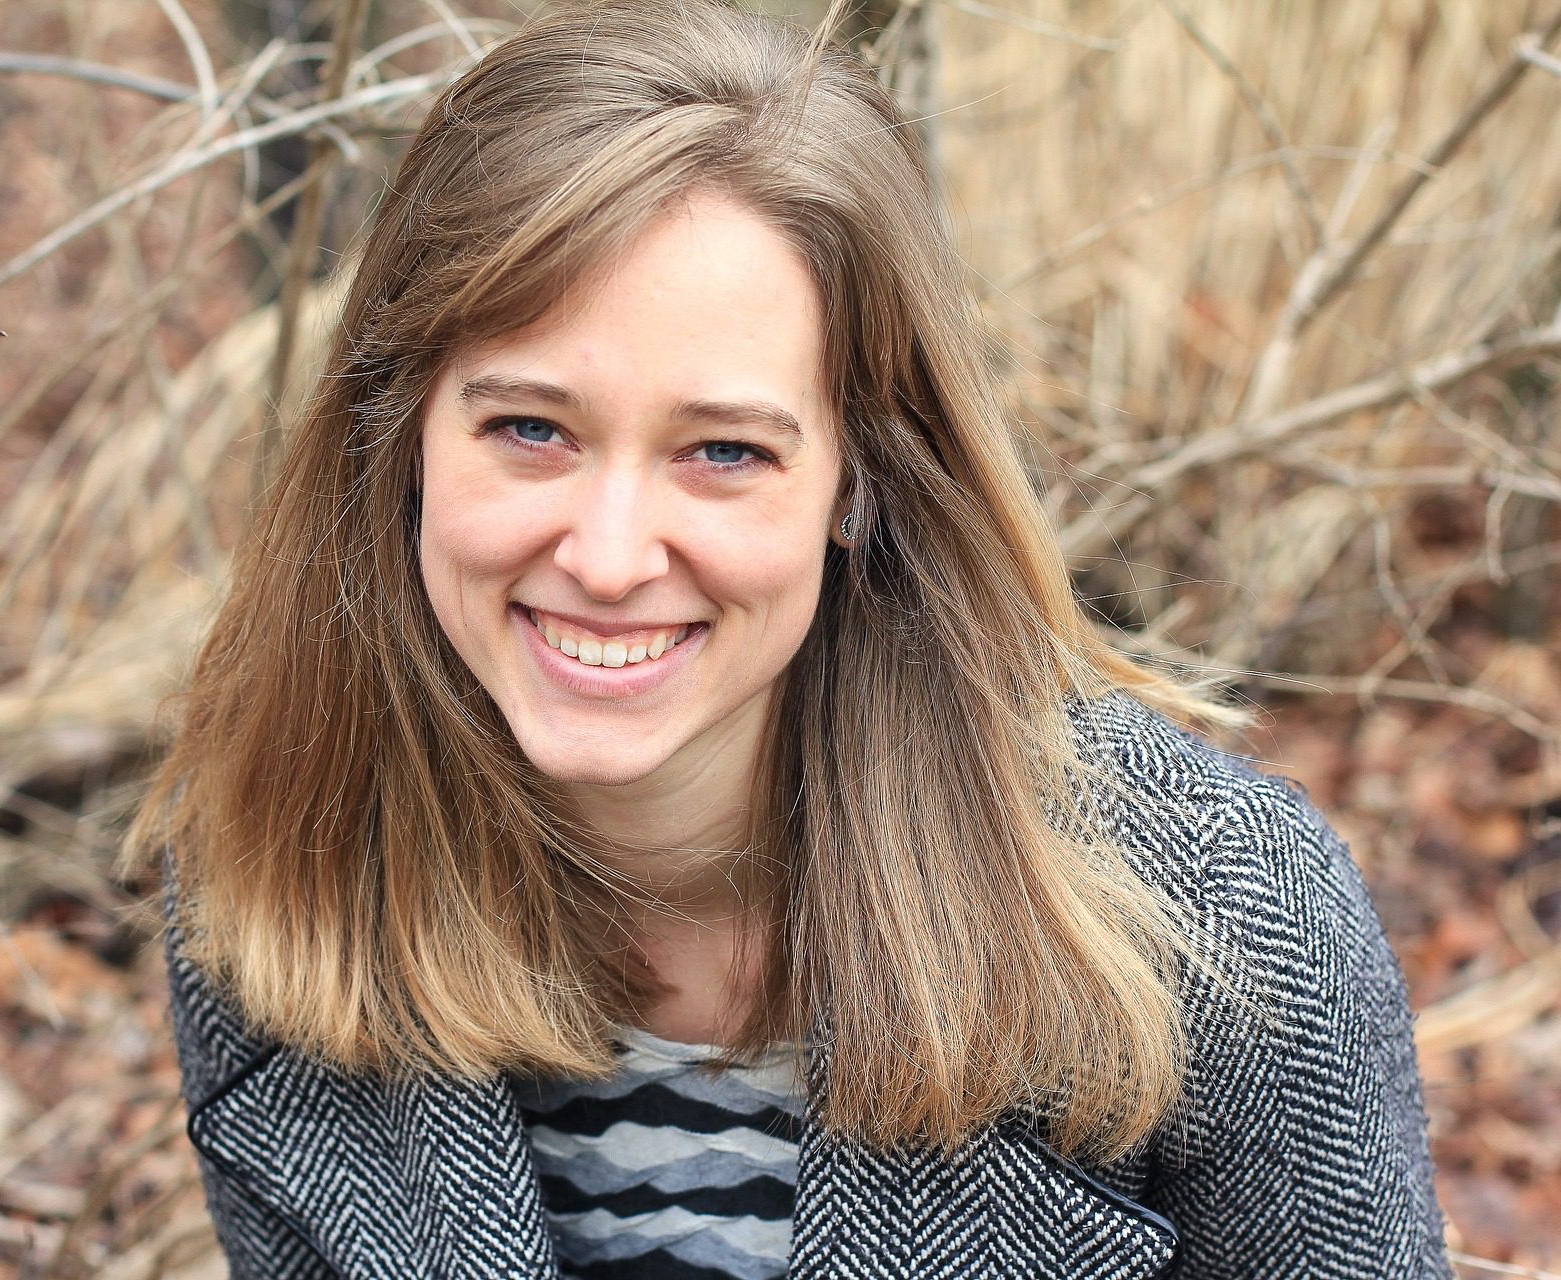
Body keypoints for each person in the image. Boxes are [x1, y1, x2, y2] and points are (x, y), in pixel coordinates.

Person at [122, 1, 1453, 1275]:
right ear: (401, 437)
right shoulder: (273, 879)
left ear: (859, 484)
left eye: (723, 451)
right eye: (531, 428)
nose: (608, 554)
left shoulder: (1218, 929)